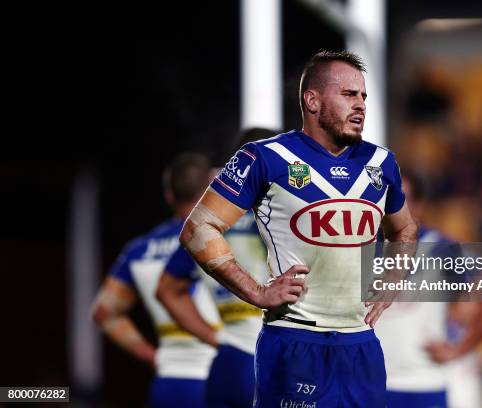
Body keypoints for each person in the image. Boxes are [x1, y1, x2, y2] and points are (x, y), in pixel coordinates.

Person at [179, 50, 418, 407]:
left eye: (363, 96)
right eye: (348, 95)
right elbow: (199, 228)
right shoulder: (264, 157)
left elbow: (405, 232)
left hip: (361, 344)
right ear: (312, 100)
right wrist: (257, 292)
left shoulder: (381, 162)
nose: (361, 105)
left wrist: (392, 278)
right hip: (294, 342)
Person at [156, 128, 276, 408]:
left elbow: (167, 290)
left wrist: (217, 338)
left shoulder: (209, 222)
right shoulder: (285, 215)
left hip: (230, 358)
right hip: (276, 357)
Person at [91, 153, 221, 408]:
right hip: (220, 377)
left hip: (168, 382)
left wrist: (152, 356)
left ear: (169, 196)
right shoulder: (226, 236)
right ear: (210, 187)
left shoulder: (139, 249)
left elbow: (104, 313)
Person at [376, 175, 482, 408]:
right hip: (373, 384)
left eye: (400, 201)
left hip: (424, 385)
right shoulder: (364, 246)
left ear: (419, 205)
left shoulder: (442, 248)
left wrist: (459, 350)